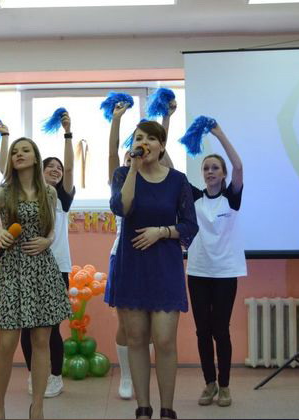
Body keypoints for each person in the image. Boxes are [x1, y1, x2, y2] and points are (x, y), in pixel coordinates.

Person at [108, 120, 198, 419]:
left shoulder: (178, 180)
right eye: (138, 138)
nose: (142, 142)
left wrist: (161, 232)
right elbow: (121, 208)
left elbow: (190, 225)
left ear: (161, 145)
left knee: (164, 340)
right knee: (135, 339)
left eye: (149, 138)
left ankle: (167, 409)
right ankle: (143, 408)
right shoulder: (123, 174)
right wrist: (133, 169)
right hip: (132, 266)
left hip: (165, 266)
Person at [0, 137, 72, 419]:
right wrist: (0, 232)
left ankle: (38, 407)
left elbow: (51, 229)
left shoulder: (50, 192)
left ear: (35, 157)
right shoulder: (1, 193)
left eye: (25, 150)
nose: (19, 154)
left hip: (43, 270)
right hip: (12, 270)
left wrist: (48, 241)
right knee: (6, 344)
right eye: (15, 152)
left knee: (42, 341)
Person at [105, 100, 177, 400]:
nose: (139, 150)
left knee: (155, 329)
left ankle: (148, 384)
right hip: (123, 255)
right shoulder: (121, 177)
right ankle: (126, 375)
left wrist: (165, 119)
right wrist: (116, 120)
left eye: (147, 143)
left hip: (154, 255)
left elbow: (163, 151)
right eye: (133, 147)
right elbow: (112, 152)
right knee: (128, 326)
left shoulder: (163, 177)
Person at [185, 122, 245, 408]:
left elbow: (239, 166)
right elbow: (169, 169)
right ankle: (209, 383)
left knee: (221, 331)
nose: (210, 172)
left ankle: (225, 386)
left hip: (225, 274)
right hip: (197, 273)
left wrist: (219, 134)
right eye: (206, 168)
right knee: (202, 332)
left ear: (223, 174)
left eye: (215, 168)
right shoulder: (194, 198)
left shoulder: (231, 198)